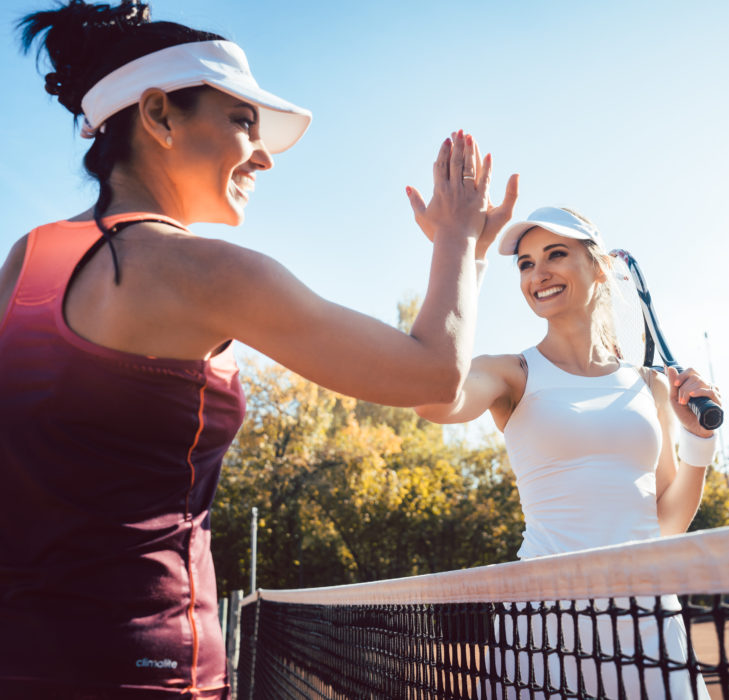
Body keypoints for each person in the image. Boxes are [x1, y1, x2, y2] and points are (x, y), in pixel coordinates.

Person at [0, 1, 516, 697]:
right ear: (158, 115)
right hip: (146, 670)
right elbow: (433, 377)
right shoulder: (210, 272)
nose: (265, 154)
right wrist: (461, 242)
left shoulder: (25, 260)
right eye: (243, 121)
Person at [415, 206, 721, 698]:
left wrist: (700, 442)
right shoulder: (510, 373)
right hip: (545, 622)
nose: (539, 273)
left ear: (599, 267)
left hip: (646, 617)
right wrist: (460, 254)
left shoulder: (649, 386)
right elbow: (430, 397)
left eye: (556, 254)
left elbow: (665, 523)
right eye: (526, 263)